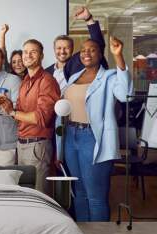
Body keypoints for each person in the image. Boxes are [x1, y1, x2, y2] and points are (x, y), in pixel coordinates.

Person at [56, 36, 132, 222]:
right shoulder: (74, 76)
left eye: (92, 50)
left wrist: (119, 56)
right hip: (71, 136)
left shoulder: (109, 76)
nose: (86, 53)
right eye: (83, 50)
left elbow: (125, 95)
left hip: (93, 138)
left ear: (100, 54)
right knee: (79, 193)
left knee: (95, 196)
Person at [0, 39, 60, 193]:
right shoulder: (25, 80)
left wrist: (13, 112)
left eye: (33, 52)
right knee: (25, 193)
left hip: (37, 146)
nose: (28, 55)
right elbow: (19, 113)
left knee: (39, 195)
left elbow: (41, 118)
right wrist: (8, 106)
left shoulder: (47, 80)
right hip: (22, 144)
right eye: (25, 52)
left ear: (41, 56)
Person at [45, 6, 108, 93]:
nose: (62, 51)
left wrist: (88, 19)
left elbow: (97, 45)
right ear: (54, 49)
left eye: (66, 48)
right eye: (59, 48)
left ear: (72, 49)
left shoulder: (80, 61)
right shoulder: (47, 72)